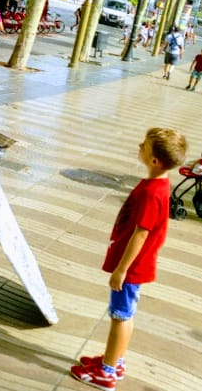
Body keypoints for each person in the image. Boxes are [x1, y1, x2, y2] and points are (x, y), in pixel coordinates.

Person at [71, 127, 187, 389]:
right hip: (137, 266)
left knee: (119, 316)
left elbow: (141, 235)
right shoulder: (159, 184)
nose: (139, 146)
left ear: (155, 160)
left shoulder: (151, 192)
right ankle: (115, 359)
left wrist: (121, 270)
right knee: (125, 315)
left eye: (143, 146)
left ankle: (107, 372)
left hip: (132, 268)